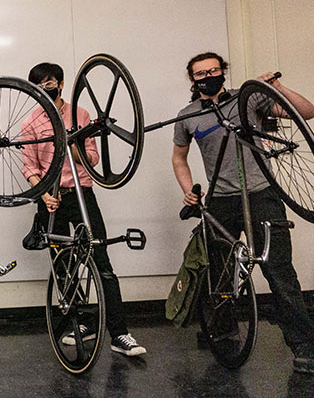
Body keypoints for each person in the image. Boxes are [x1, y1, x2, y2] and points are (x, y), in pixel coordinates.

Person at [171, 52, 314, 373]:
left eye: (213, 69)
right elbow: (179, 158)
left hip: (263, 194)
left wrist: (278, 87)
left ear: (223, 71)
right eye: (200, 73)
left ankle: (305, 347)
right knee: (217, 270)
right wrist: (188, 188)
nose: (208, 75)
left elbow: (307, 112)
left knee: (280, 271)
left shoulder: (248, 99)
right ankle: (223, 329)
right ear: (192, 80)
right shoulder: (187, 116)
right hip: (221, 200)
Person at [22, 62, 146, 356]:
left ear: (61, 84)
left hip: (81, 194)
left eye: (50, 82)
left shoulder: (81, 114)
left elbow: (91, 156)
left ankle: (120, 334)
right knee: (63, 266)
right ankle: (83, 322)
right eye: (38, 84)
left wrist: (71, 142)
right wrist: (42, 196)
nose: (45, 88)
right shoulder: (30, 123)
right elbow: (29, 167)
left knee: (100, 260)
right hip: (51, 199)